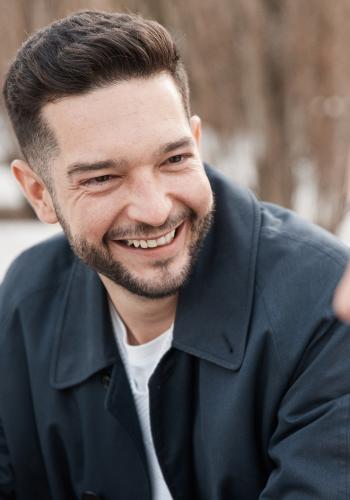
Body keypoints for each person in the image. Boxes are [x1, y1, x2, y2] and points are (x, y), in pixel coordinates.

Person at [0, 10, 349, 500]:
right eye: (102, 178)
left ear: (198, 144)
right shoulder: (25, 304)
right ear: (38, 193)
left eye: (174, 159)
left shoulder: (325, 309)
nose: (154, 208)